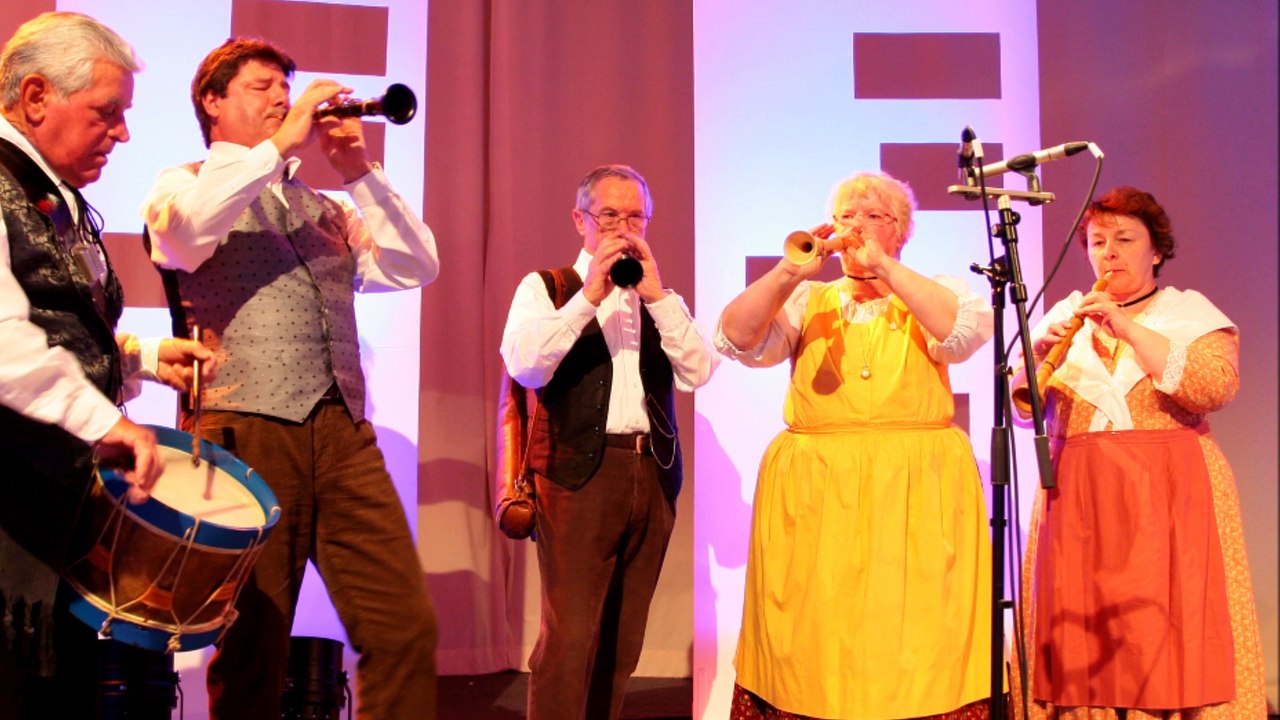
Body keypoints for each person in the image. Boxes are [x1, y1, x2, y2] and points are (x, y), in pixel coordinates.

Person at [141, 38, 440, 720]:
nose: (281, 97)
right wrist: (276, 147)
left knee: (405, 627)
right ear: (212, 103)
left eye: (286, 85)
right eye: (262, 86)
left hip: (341, 435)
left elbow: (415, 265)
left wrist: (358, 169)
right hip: (245, 431)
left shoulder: (326, 209)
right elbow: (183, 237)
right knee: (253, 645)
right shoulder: (180, 184)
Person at [716, 171, 996, 719]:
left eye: (874, 217)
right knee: (818, 627)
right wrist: (786, 273)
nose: (855, 228)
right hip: (820, 493)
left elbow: (960, 338)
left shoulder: (935, 290)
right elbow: (735, 338)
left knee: (914, 627)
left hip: (914, 491)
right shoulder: (807, 298)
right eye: (846, 217)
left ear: (903, 232)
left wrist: (884, 268)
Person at [0, 12, 216, 718]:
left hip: (54, 501)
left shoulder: (61, 198)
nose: (122, 134)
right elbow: (4, 342)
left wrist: (145, 358)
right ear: (35, 97)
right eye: (106, 114)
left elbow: (58, 329)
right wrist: (104, 425)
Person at [1009, 186, 1267, 718]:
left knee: (1169, 629)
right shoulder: (1062, 317)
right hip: (1080, 497)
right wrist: (1033, 357)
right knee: (1083, 633)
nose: (1109, 253)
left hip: (1171, 491)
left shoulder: (1189, 313)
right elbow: (1024, 411)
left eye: (1125, 239)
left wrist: (1127, 327)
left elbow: (1213, 388)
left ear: (1156, 250)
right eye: (1098, 241)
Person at [499, 164, 718, 720]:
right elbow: (525, 366)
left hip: (651, 474)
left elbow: (697, 372)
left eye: (635, 216)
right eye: (610, 215)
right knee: (570, 638)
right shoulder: (545, 287)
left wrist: (658, 296)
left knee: (622, 642)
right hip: (576, 477)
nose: (624, 228)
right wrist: (589, 297)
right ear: (581, 221)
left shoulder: (661, 299)